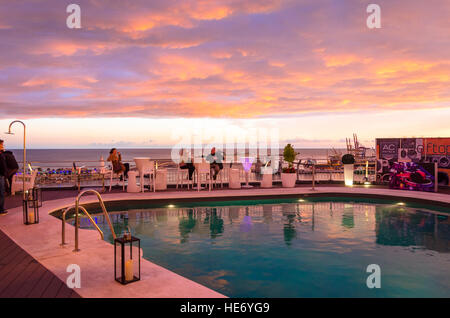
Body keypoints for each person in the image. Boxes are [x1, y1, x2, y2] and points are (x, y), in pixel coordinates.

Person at [0, 140, 7, 215]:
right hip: (0, 175)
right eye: (1, 145)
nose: (3, 146)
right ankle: (1, 209)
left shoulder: (1, 153)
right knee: (1, 192)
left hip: (2, 175)